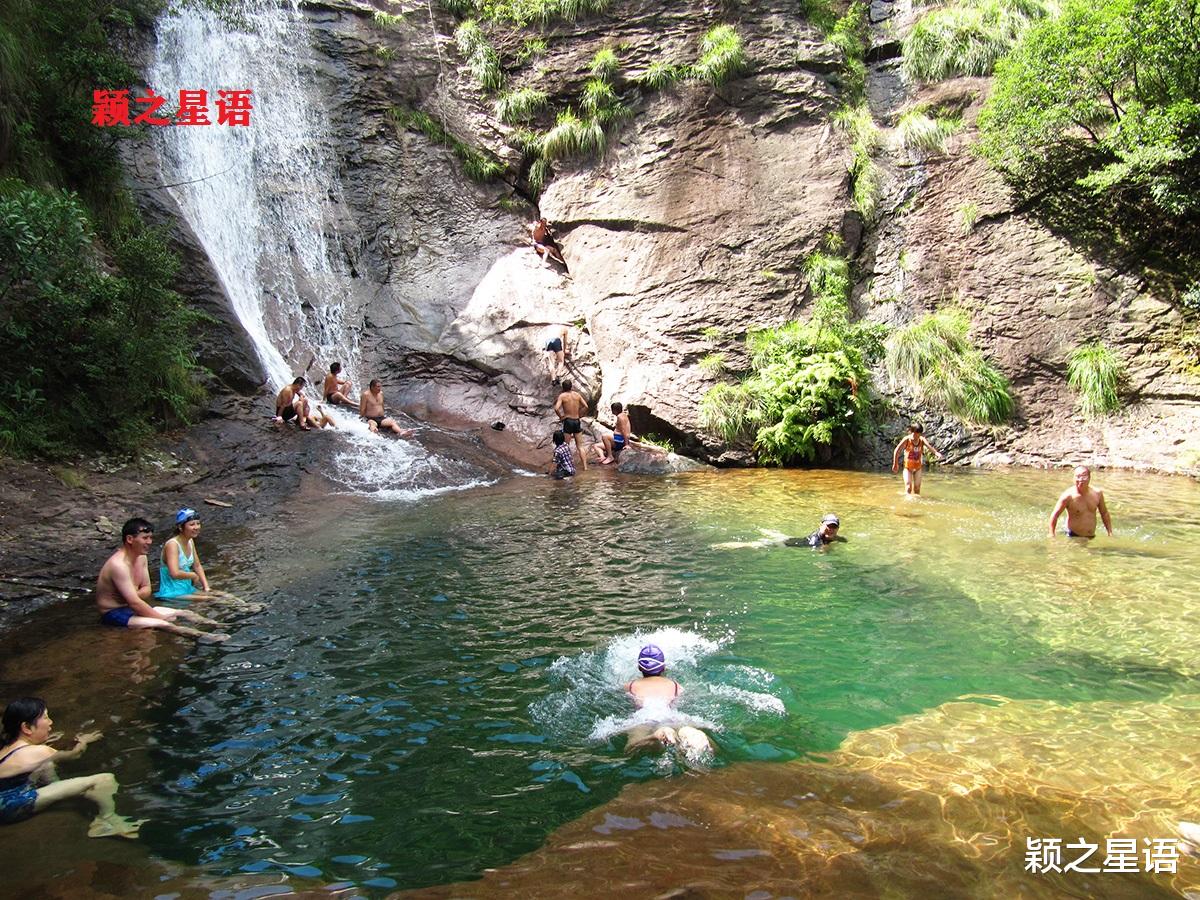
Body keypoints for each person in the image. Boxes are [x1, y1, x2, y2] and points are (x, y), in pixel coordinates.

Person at [0, 697, 143, 837]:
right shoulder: (40, 751)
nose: (50, 722)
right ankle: (107, 821)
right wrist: (84, 741)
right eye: (45, 718)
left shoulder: (6, 748)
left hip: (6, 799)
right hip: (9, 807)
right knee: (105, 779)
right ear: (26, 728)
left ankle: (61, 788)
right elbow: (75, 754)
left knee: (47, 764)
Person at [95, 518, 228, 642]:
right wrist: (159, 616)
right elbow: (135, 602)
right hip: (113, 613)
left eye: (150, 538)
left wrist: (131, 596)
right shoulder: (119, 565)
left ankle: (219, 625)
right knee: (163, 623)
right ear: (130, 539)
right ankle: (205, 637)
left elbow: (147, 590)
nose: (150, 542)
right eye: (145, 538)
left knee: (184, 612)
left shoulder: (141, 557)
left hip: (131, 606)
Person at [622, 645, 714, 757]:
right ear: (663, 667)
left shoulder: (629, 686)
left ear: (639, 667)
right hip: (670, 716)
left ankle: (656, 737)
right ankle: (687, 732)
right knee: (687, 732)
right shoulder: (676, 686)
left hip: (644, 718)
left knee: (630, 748)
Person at [1049, 465, 1113, 538]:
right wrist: (1051, 534)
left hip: (1091, 536)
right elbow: (1055, 515)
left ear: (1089, 478)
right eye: (1078, 476)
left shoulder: (1097, 493)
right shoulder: (1068, 496)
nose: (1080, 479)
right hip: (1073, 535)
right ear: (1073, 478)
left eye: (1084, 476)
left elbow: (1104, 513)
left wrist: (1110, 532)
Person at [891, 423, 942, 495]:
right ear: (912, 432)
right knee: (908, 487)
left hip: (918, 468)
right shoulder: (907, 439)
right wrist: (895, 463)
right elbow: (897, 450)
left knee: (917, 488)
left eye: (918, 434)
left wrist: (936, 453)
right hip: (908, 468)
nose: (916, 436)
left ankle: (916, 500)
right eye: (915, 434)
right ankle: (908, 500)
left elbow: (929, 447)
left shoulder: (922, 440)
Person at [553, 378, 588, 471]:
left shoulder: (562, 396)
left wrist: (561, 417)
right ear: (571, 387)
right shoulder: (577, 395)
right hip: (576, 421)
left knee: (565, 445)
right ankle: (585, 467)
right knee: (580, 446)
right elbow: (586, 406)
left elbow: (556, 408)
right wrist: (580, 415)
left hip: (568, 421)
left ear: (563, 388)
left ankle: (566, 466)